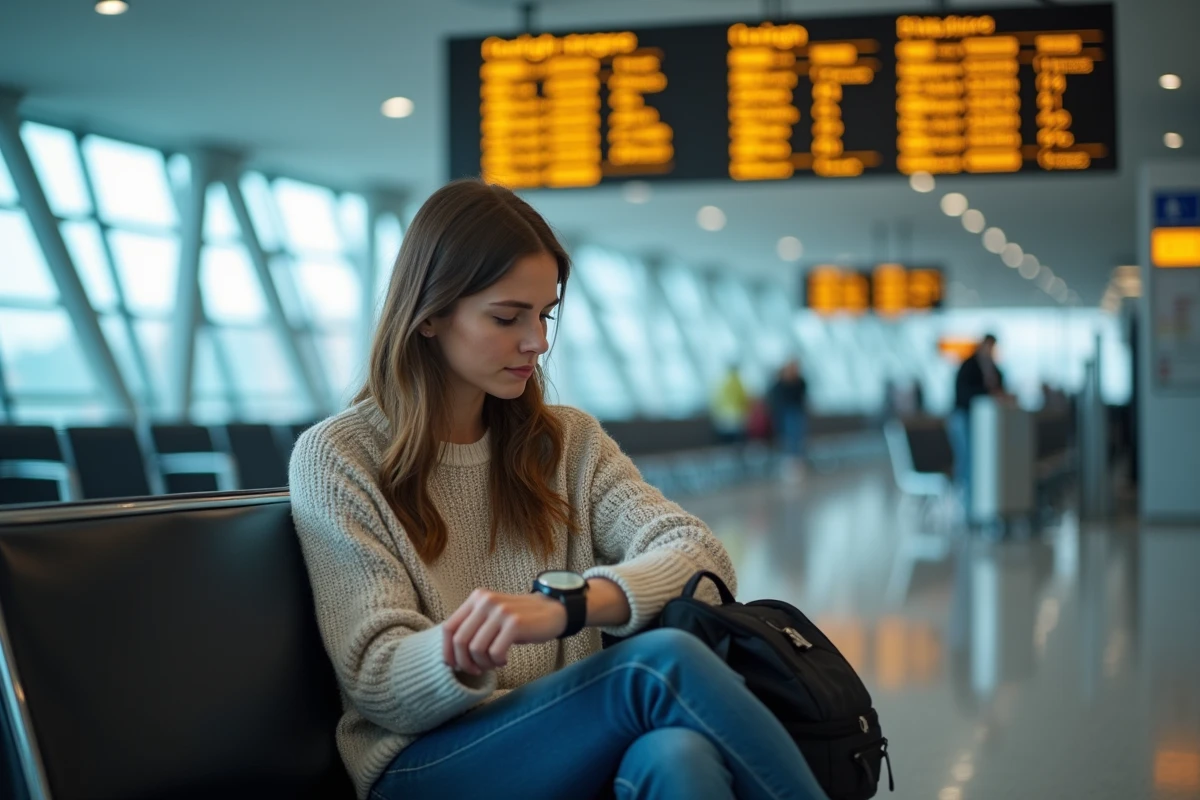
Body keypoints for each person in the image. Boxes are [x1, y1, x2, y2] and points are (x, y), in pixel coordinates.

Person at [289, 180, 829, 800]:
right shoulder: (341, 456)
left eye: (544, 315)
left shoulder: (566, 444)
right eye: (507, 316)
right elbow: (377, 678)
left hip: (567, 738)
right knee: (660, 667)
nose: (537, 341)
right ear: (431, 314)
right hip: (423, 762)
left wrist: (568, 607)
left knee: (677, 754)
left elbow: (700, 556)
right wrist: (466, 648)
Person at [950, 333, 1007, 516]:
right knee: (967, 460)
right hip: (964, 418)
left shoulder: (994, 368)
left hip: (985, 422)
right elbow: (964, 393)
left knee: (981, 461)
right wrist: (987, 393)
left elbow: (1001, 391)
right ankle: (965, 506)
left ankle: (980, 503)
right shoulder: (968, 366)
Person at [768, 359, 808, 462]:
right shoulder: (781, 384)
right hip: (785, 414)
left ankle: (796, 459)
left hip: (795, 413)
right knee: (789, 437)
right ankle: (791, 459)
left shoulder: (799, 382)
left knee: (796, 436)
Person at [711, 363, 751, 444]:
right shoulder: (737, 381)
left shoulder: (723, 382)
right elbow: (743, 397)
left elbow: (717, 399)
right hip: (736, 414)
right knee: (737, 437)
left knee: (726, 437)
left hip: (723, 414)